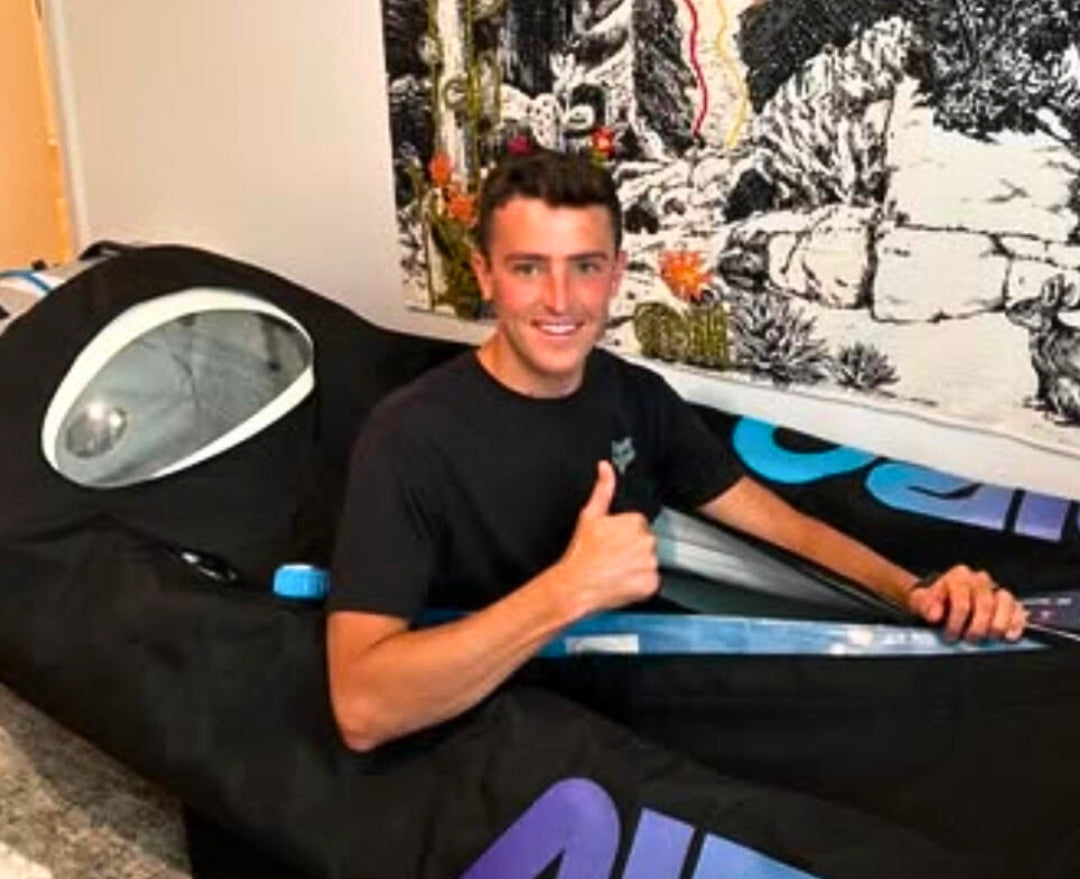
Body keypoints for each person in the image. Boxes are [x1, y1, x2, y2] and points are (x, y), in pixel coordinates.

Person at [327, 150, 1027, 752]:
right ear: (484, 275)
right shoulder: (408, 441)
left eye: (585, 266)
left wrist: (915, 591)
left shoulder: (636, 396)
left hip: (634, 709)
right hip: (491, 740)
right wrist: (569, 590)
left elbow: (789, 531)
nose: (561, 299)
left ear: (617, 272)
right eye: (529, 268)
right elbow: (362, 709)